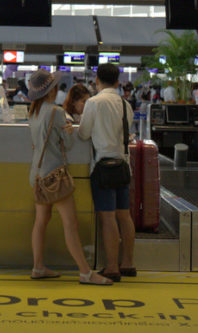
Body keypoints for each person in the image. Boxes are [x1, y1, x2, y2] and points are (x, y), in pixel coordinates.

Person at [27, 69, 112, 286]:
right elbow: (70, 143)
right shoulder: (55, 112)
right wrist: (69, 131)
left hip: (36, 175)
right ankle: (85, 272)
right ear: (51, 90)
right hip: (54, 175)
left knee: (41, 221)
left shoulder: (33, 112)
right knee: (70, 223)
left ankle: (38, 267)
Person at [78, 63, 136, 282]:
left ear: (96, 81)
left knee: (108, 216)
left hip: (103, 166)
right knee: (124, 215)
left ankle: (112, 266)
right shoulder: (125, 104)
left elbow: (83, 134)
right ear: (118, 82)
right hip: (122, 165)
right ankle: (128, 263)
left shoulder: (94, 102)